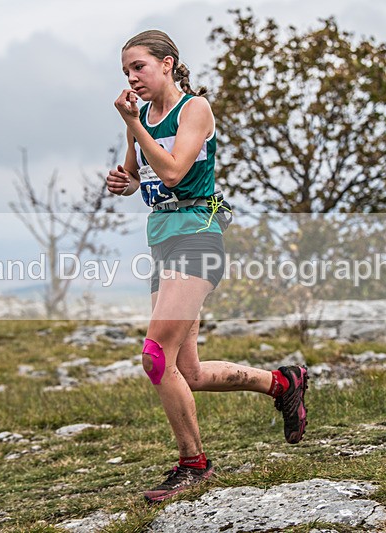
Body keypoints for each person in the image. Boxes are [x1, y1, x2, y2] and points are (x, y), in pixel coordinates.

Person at [106, 29, 308, 504]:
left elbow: (175, 171)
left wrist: (133, 125)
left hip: (198, 236)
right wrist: (125, 180)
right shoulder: (140, 115)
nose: (132, 77)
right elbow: (144, 175)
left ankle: (193, 465)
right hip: (162, 238)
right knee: (186, 370)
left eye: (139, 67)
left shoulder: (194, 109)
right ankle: (282, 383)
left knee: (155, 356)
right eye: (126, 71)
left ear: (168, 63)